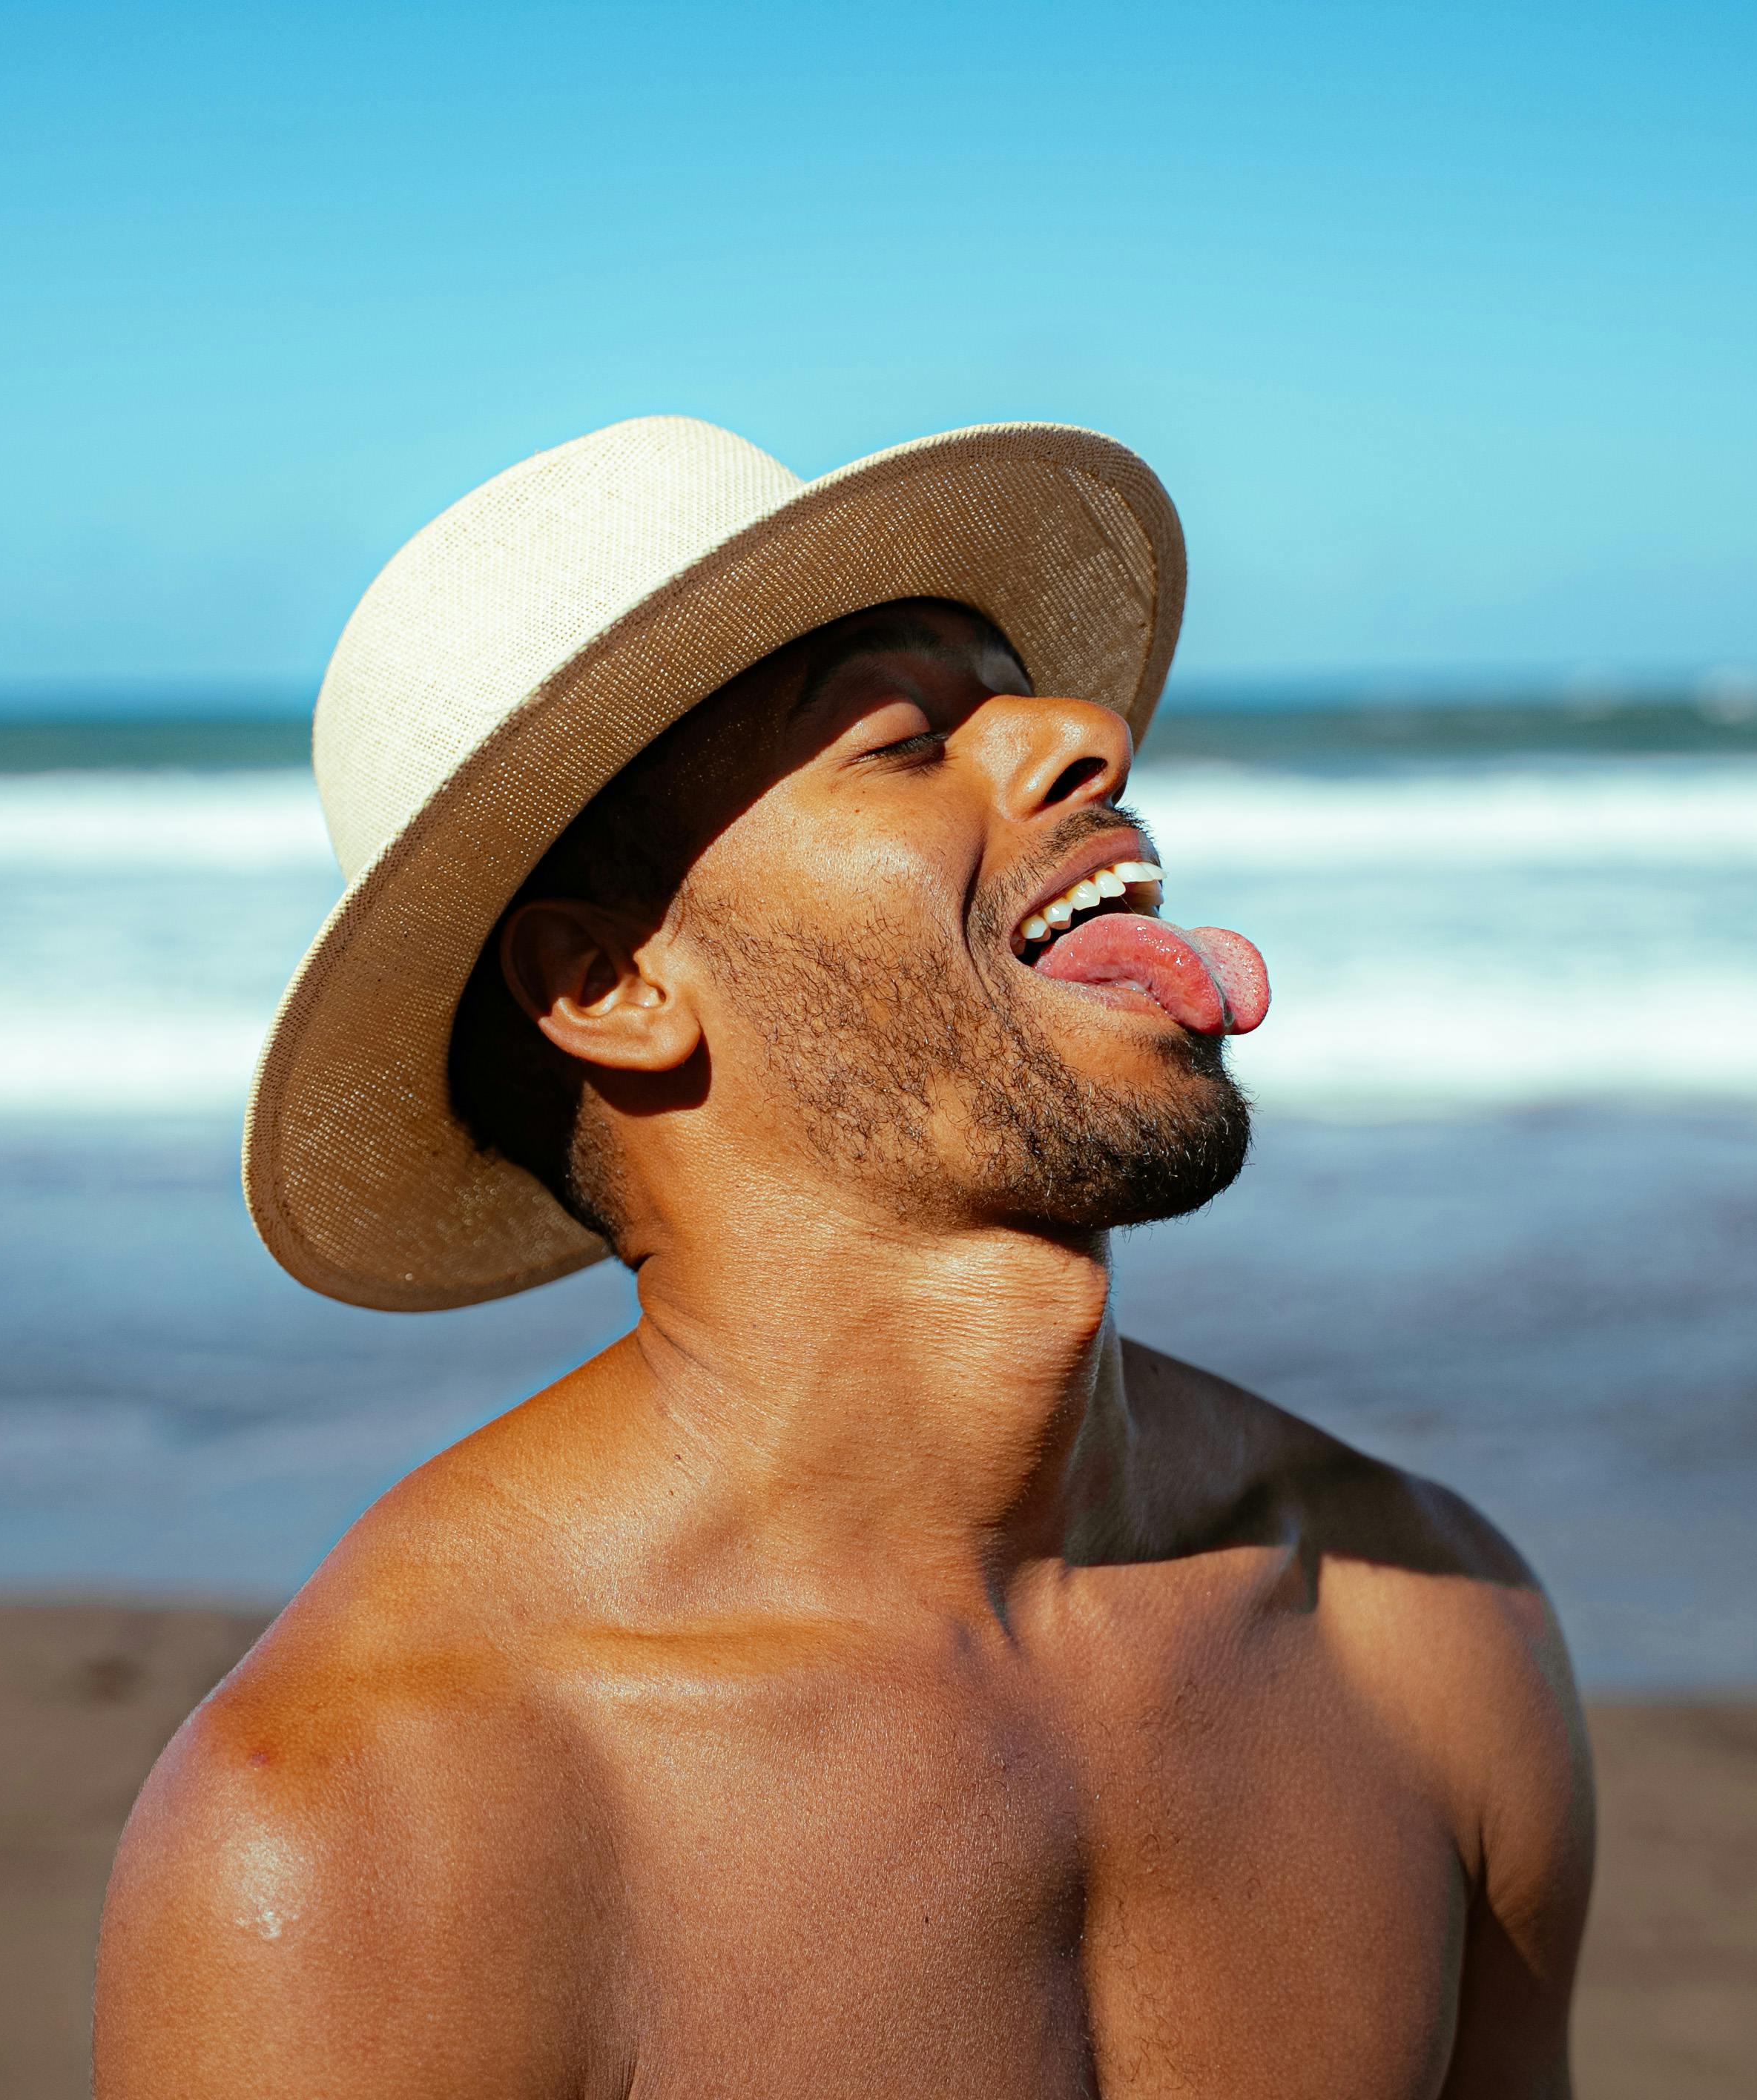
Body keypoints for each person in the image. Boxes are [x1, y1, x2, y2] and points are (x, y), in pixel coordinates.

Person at [96, 417, 1593, 2097]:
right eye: (897, 741)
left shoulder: (1420, 1627)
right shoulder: (372, 1821)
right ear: (609, 987)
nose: (1089, 734)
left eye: (1020, 692)